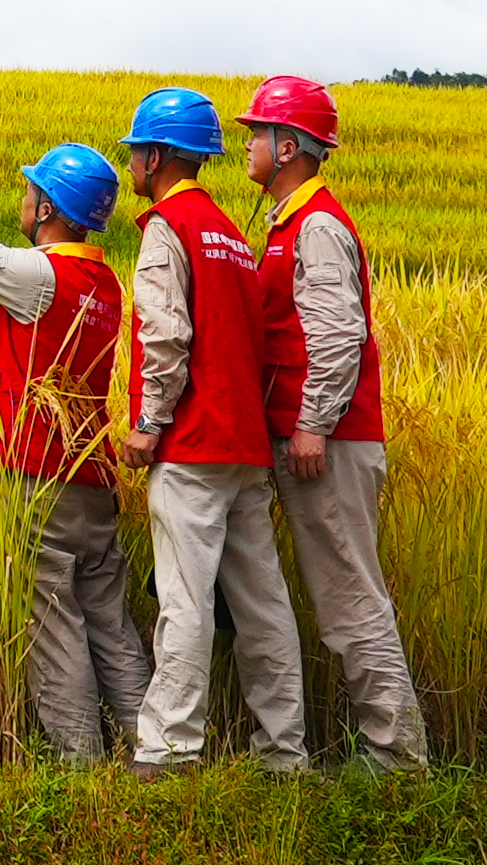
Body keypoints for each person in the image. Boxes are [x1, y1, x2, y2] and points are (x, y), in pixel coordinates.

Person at [0, 137, 150, 759]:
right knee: (108, 619)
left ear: (46, 209)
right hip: (93, 479)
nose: (24, 199)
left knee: (53, 621)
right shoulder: (102, 281)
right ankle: (153, 755)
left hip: (37, 474)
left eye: (29, 192)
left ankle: (81, 767)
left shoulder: (42, 279)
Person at [110, 86, 306, 779]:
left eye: (137, 150)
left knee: (185, 604)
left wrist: (145, 424)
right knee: (264, 606)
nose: (132, 162)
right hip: (246, 449)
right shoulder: (228, 232)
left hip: (192, 446)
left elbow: (165, 336)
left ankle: (170, 751)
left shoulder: (169, 226)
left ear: (156, 155)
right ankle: (286, 753)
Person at [244, 75, 429, 773]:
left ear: (288, 146)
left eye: (258, 134)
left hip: (329, 443)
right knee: (346, 596)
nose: (249, 146)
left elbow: (338, 334)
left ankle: (398, 761)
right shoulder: (292, 222)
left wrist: (313, 423)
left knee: (352, 600)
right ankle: (391, 754)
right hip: (316, 435)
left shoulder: (316, 227)